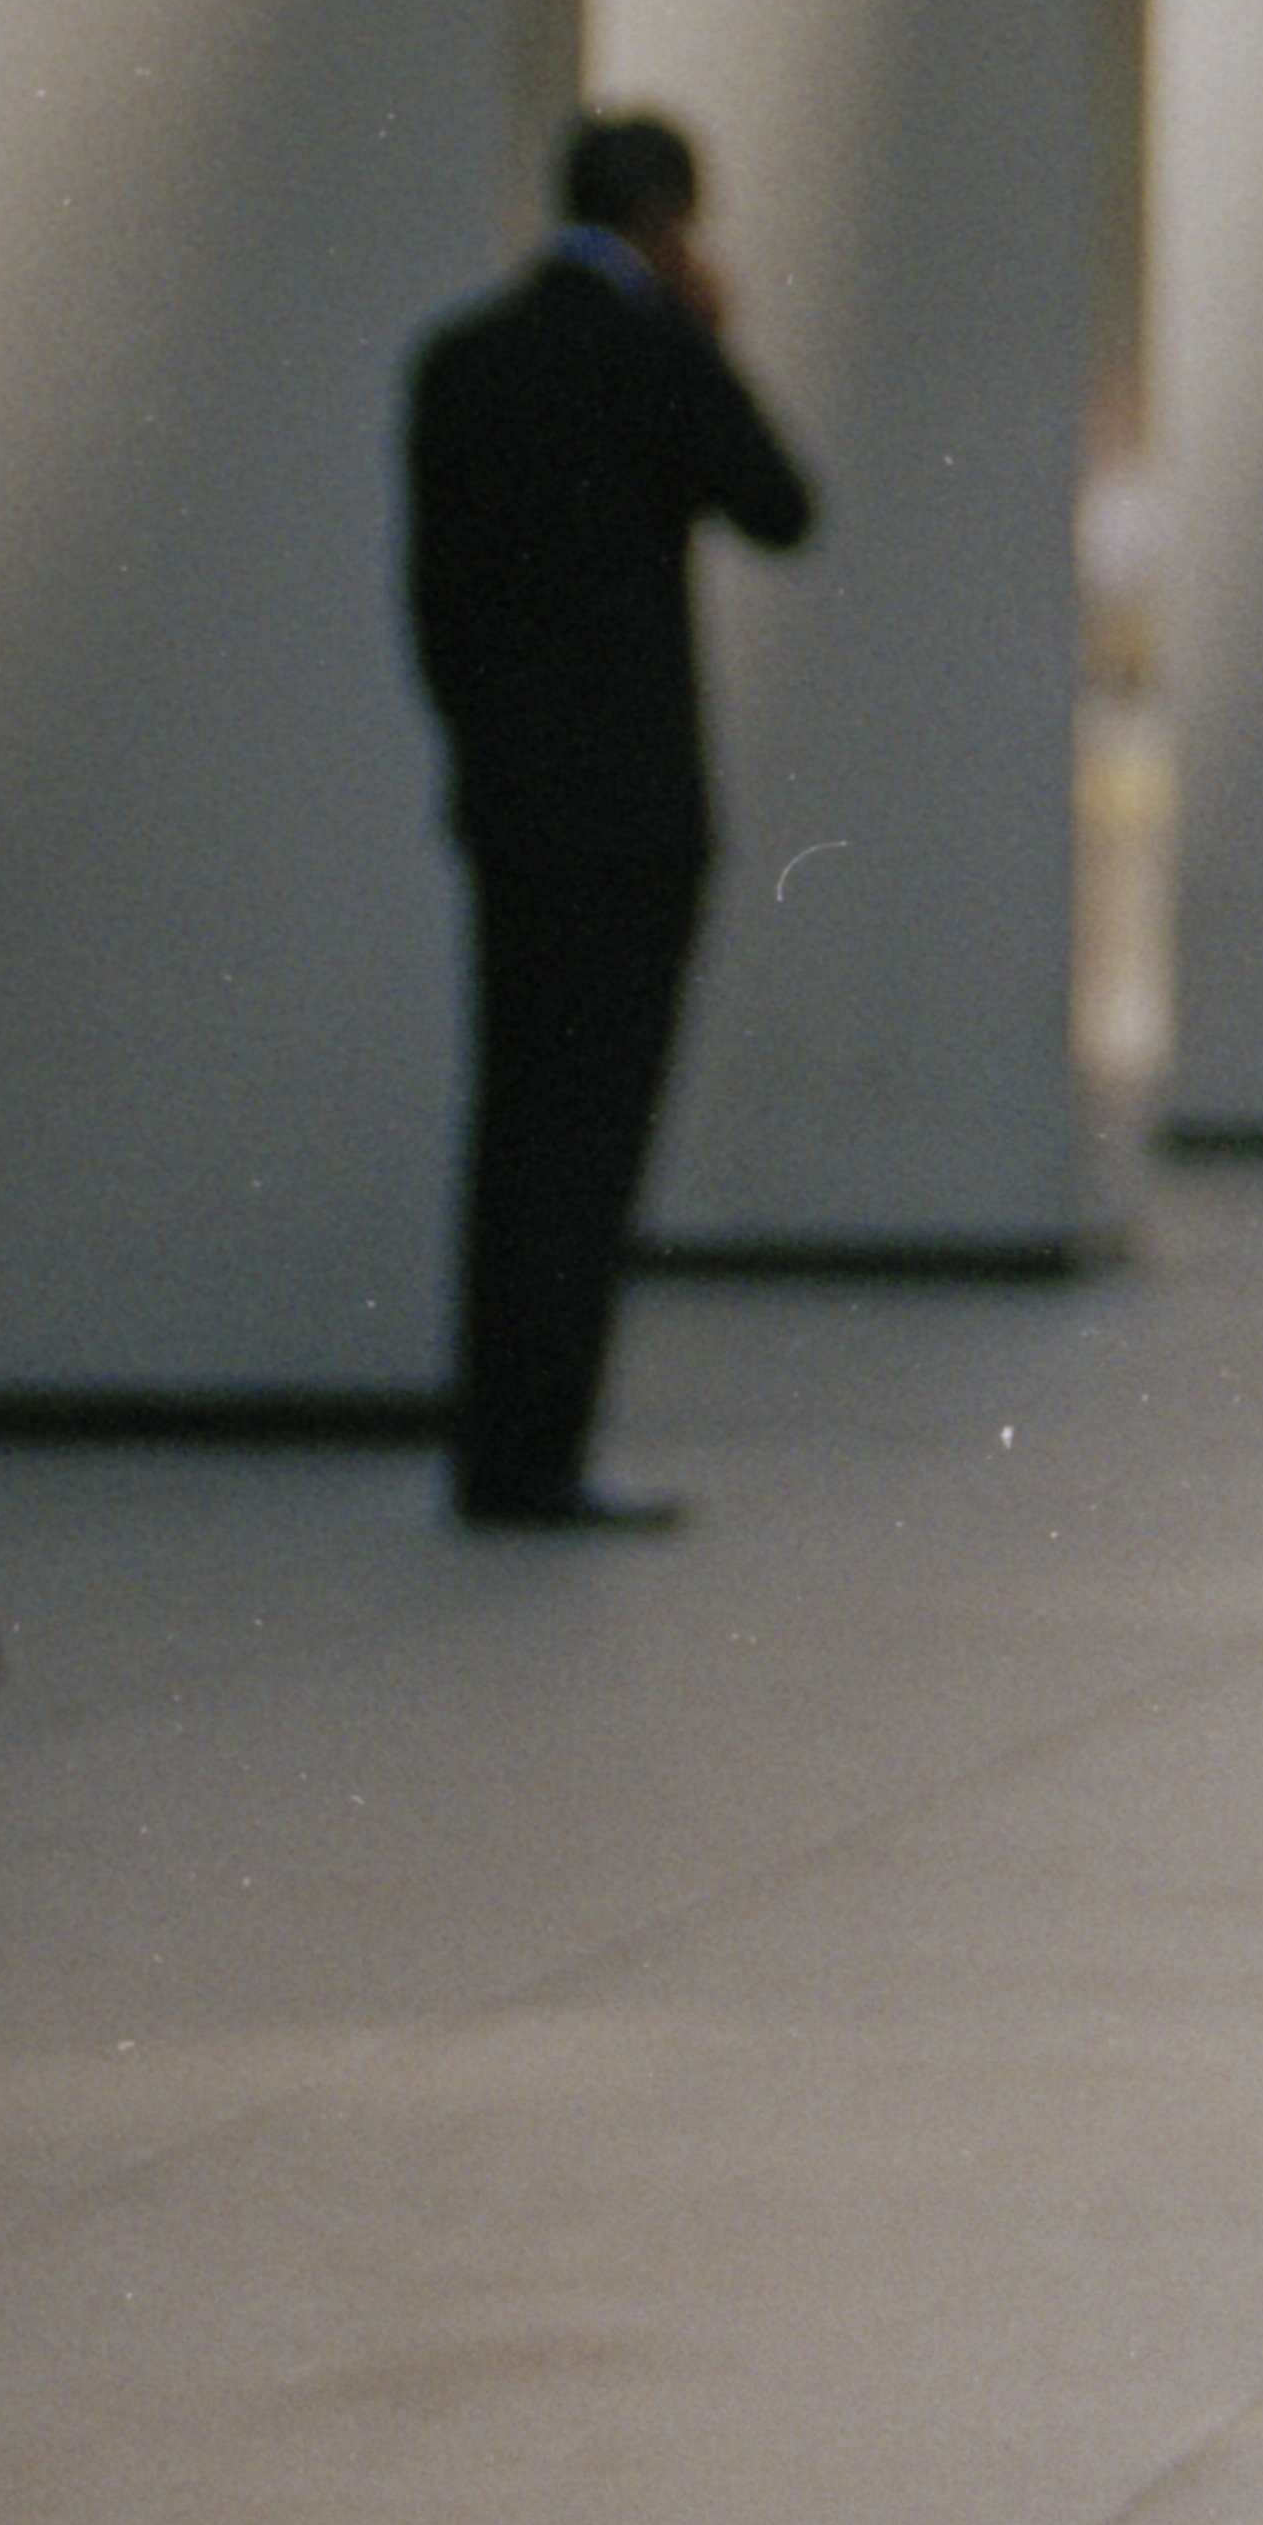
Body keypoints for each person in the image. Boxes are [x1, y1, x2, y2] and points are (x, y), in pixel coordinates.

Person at [396, 109, 818, 1528]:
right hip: (632, 806)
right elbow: (778, 506)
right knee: (596, 1129)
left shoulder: (462, 359)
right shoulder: (651, 354)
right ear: (670, 223)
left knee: (513, 1119)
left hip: (510, 798)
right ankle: (547, 1445)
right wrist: (706, 341)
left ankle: (493, 1438)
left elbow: (434, 605)